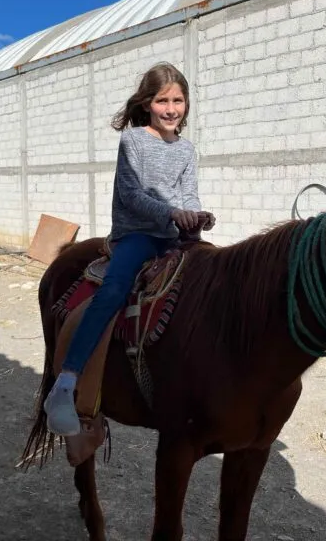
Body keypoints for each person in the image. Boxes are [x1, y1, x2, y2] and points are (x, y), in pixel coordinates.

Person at [43, 62, 214, 437]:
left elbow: (189, 196)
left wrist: (197, 217)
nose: (171, 109)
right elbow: (131, 196)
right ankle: (67, 381)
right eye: (163, 100)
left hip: (178, 237)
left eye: (178, 100)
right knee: (114, 290)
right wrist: (172, 212)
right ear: (147, 104)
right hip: (137, 235)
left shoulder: (187, 150)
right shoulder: (133, 141)